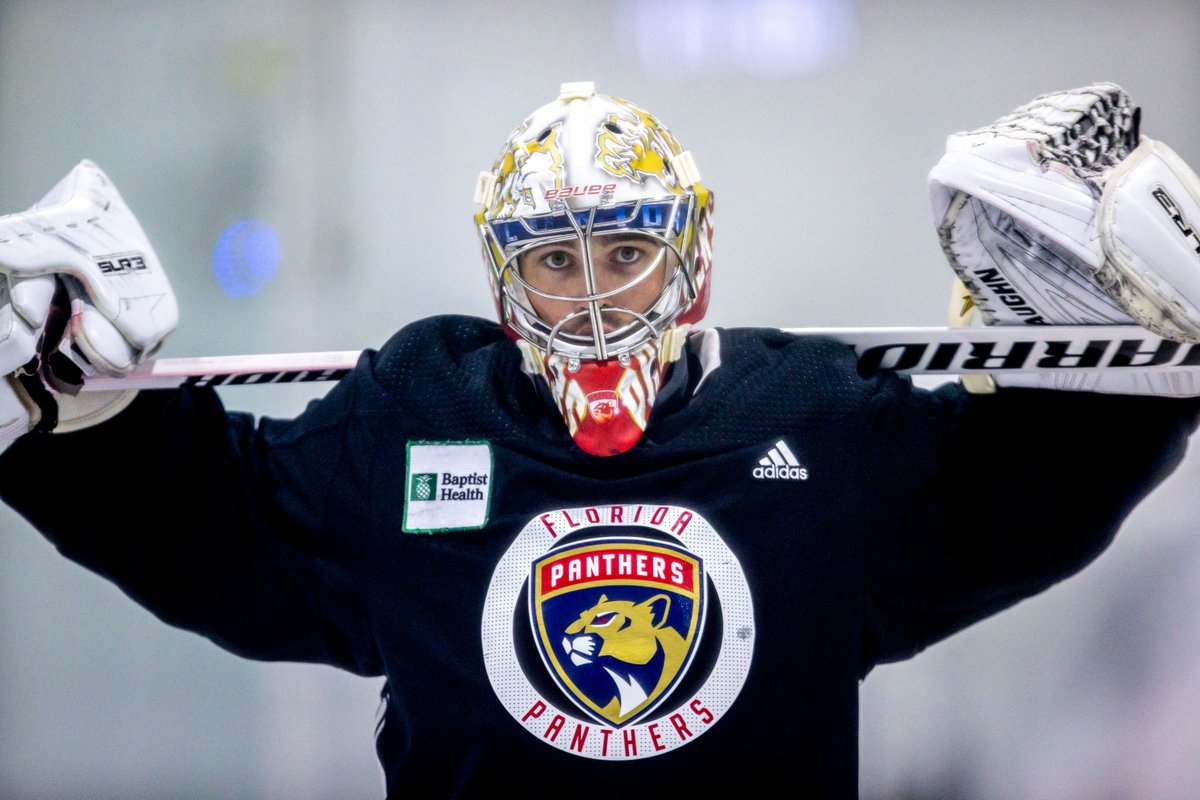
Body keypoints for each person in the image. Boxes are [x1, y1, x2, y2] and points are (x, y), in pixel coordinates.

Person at [0, 80, 1198, 798]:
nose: (593, 297)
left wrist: (1135, 365)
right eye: (554, 260)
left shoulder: (815, 418)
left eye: (627, 253)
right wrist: (70, 418)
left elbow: (1020, 503)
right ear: (502, 273)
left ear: (692, 255)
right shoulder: (423, 408)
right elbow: (223, 530)